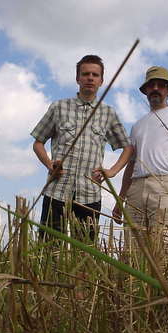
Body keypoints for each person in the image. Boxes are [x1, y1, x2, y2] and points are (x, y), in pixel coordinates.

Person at [31, 55, 133, 241]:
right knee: (47, 248)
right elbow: (38, 142)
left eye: (95, 74)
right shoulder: (59, 107)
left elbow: (127, 147)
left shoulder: (108, 113)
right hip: (57, 191)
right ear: (78, 78)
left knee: (85, 253)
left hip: (89, 194)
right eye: (85, 74)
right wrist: (49, 164)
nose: (90, 78)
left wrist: (112, 171)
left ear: (101, 81)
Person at [113, 65, 168, 235]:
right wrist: (121, 198)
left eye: (160, 85)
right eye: (151, 85)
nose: (155, 89)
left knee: (166, 244)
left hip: (165, 185)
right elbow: (131, 165)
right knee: (133, 248)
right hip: (136, 189)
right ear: (145, 90)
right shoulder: (137, 126)